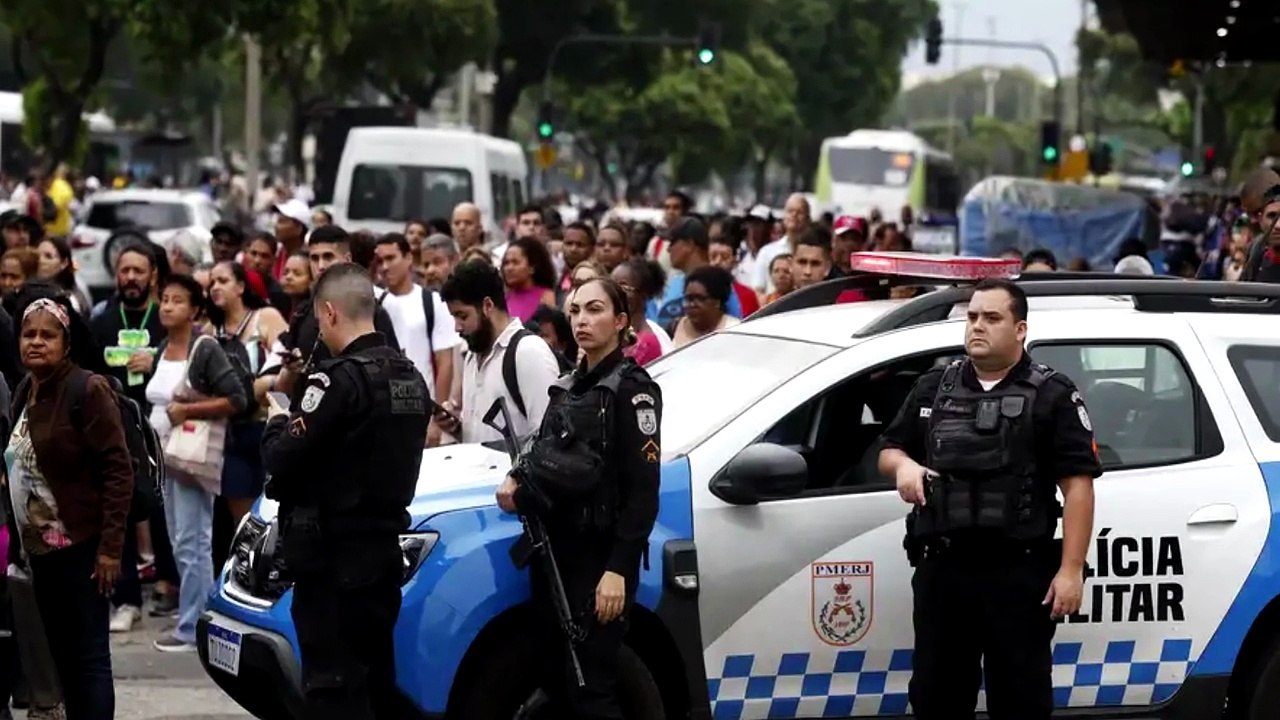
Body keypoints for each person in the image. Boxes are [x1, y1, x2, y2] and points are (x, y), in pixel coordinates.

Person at [877, 277, 1100, 720]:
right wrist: (903, 466)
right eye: (973, 317)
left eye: (992, 318)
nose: (977, 326)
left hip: (1018, 573)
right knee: (937, 697)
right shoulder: (934, 387)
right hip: (945, 568)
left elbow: (1078, 486)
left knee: (1020, 700)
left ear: (1020, 329)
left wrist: (1071, 570)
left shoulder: (1052, 394)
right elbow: (889, 449)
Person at [262, 262, 428, 719]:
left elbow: (281, 457)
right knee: (374, 683)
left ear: (329, 313)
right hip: (381, 557)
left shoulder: (336, 380)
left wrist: (277, 419)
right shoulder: (410, 376)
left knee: (332, 689)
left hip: (331, 562)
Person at [496, 276, 661, 719]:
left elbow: (644, 493)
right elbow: (540, 445)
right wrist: (516, 477)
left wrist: (617, 571)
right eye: (574, 311)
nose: (582, 321)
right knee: (555, 680)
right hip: (554, 553)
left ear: (621, 320)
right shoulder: (569, 385)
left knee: (593, 689)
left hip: (597, 559)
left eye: (594, 310)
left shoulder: (632, 391)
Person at [8, 295, 135, 720]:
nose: (37, 343)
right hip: (41, 553)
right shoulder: (27, 389)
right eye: (29, 334)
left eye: (48, 335)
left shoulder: (88, 389)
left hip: (84, 548)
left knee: (89, 660)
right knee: (62, 657)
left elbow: (119, 473)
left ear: (67, 342)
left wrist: (111, 550)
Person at [438, 261, 561, 444]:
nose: (457, 327)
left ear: (488, 305)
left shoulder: (529, 352)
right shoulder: (472, 355)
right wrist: (456, 428)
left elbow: (549, 438)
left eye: (462, 316)